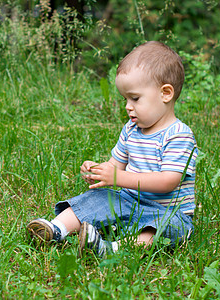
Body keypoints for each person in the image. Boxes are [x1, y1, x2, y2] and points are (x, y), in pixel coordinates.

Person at [27, 41, 198, 257]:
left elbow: (167, 181)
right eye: (125, 98)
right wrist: (99, 172)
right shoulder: (131, 129)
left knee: (170, 227)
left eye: (135, 98)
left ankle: (111, 249)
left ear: (165, 93)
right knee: (97, 198)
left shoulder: (179, 135)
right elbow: (114, 165)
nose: (128, 106)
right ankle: (55, 229)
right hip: (129, 202)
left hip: (167, 211)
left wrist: (118, 177)